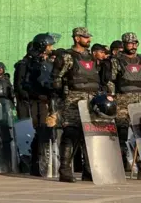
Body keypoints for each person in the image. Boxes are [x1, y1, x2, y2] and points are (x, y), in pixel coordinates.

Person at [53, 27, 99, 182]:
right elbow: (56, 79)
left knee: (90, 135)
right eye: (85, 37)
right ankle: (65, 170)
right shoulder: (67, 56)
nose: (88, 39)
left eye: (88, 37)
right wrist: (62, 97)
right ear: (77, 38)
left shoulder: (91, 57)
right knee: (71, 133)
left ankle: (88, 170)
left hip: (91, 98)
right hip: (73, 99)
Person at [22, 33, 57, 177]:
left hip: (48, 100)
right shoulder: (33, 63)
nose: (52, 48)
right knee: (42, 131)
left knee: (46, 132)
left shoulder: (45, 61)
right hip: (40, 101)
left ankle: (42, 164)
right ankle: (38, 164)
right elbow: (34, 83)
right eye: (49, 45)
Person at [107, 32, 141, 176]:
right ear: (124, 44)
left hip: (139, 98)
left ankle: (139, 165)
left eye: (135, 43)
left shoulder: (140, 59)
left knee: (139, 133)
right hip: (123, 99)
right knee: (121, 132)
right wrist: (112, 96)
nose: (132, 46)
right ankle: (119, 165)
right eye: (129, 43)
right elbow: (111, 80)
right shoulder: (117, 60)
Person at [14, 42, 34, 119]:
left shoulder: (35, 62)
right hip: (24, 99)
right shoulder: (23, 64)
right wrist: (25, 94)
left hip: (33, 98)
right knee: (25, 123)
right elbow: (19, 82)